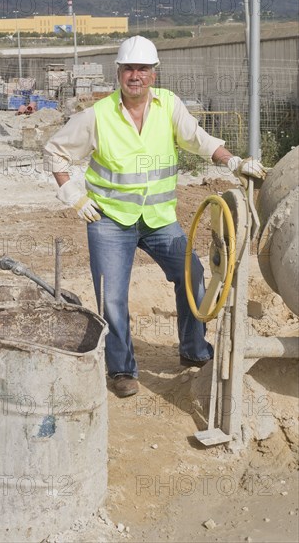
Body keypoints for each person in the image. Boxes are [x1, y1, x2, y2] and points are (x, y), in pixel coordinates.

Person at [44, 36, 266, 398]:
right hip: (110, 220)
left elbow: (200, 140)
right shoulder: (97, 116)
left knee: (192, 274)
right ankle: (122, 369)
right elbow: (55, 152)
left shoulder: (169, 106)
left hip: (159, 219)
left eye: (142, 69)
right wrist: (74, 196)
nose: (136, 76)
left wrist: (234, 162)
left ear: (153, 73)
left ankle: (193, 350)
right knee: (111, 296)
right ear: (118, 73)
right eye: (129, 69)